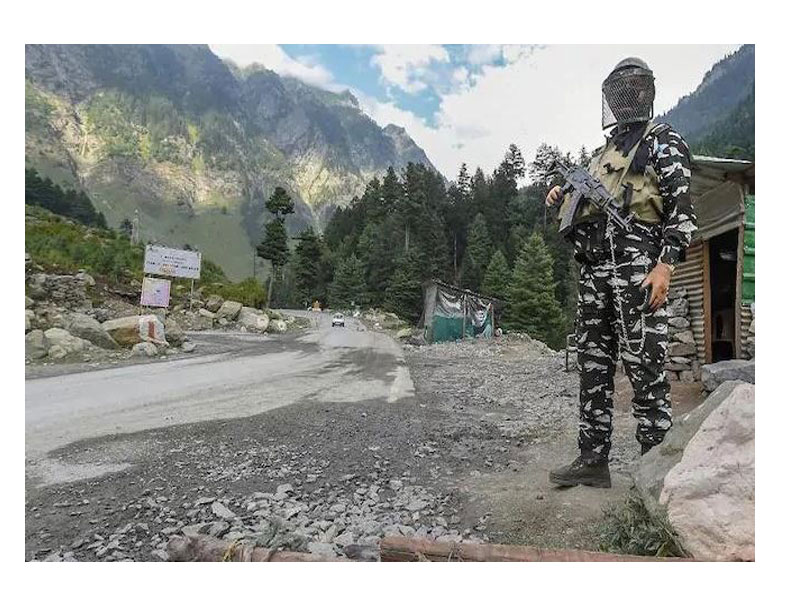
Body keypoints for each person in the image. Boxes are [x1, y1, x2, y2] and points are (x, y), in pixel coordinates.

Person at [547, 57, 697, 488]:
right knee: (593, 366)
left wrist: (665, 265)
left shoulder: (662, 140)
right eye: (618, 91)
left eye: (633, 88)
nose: (625, 97)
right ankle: (593, 460)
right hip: (594, 268)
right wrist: (561, 196)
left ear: (646, 92)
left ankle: (656, 473)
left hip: (637, 265)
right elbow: (583, 204)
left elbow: (682, 213)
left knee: (645, 365)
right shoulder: (602, 155)